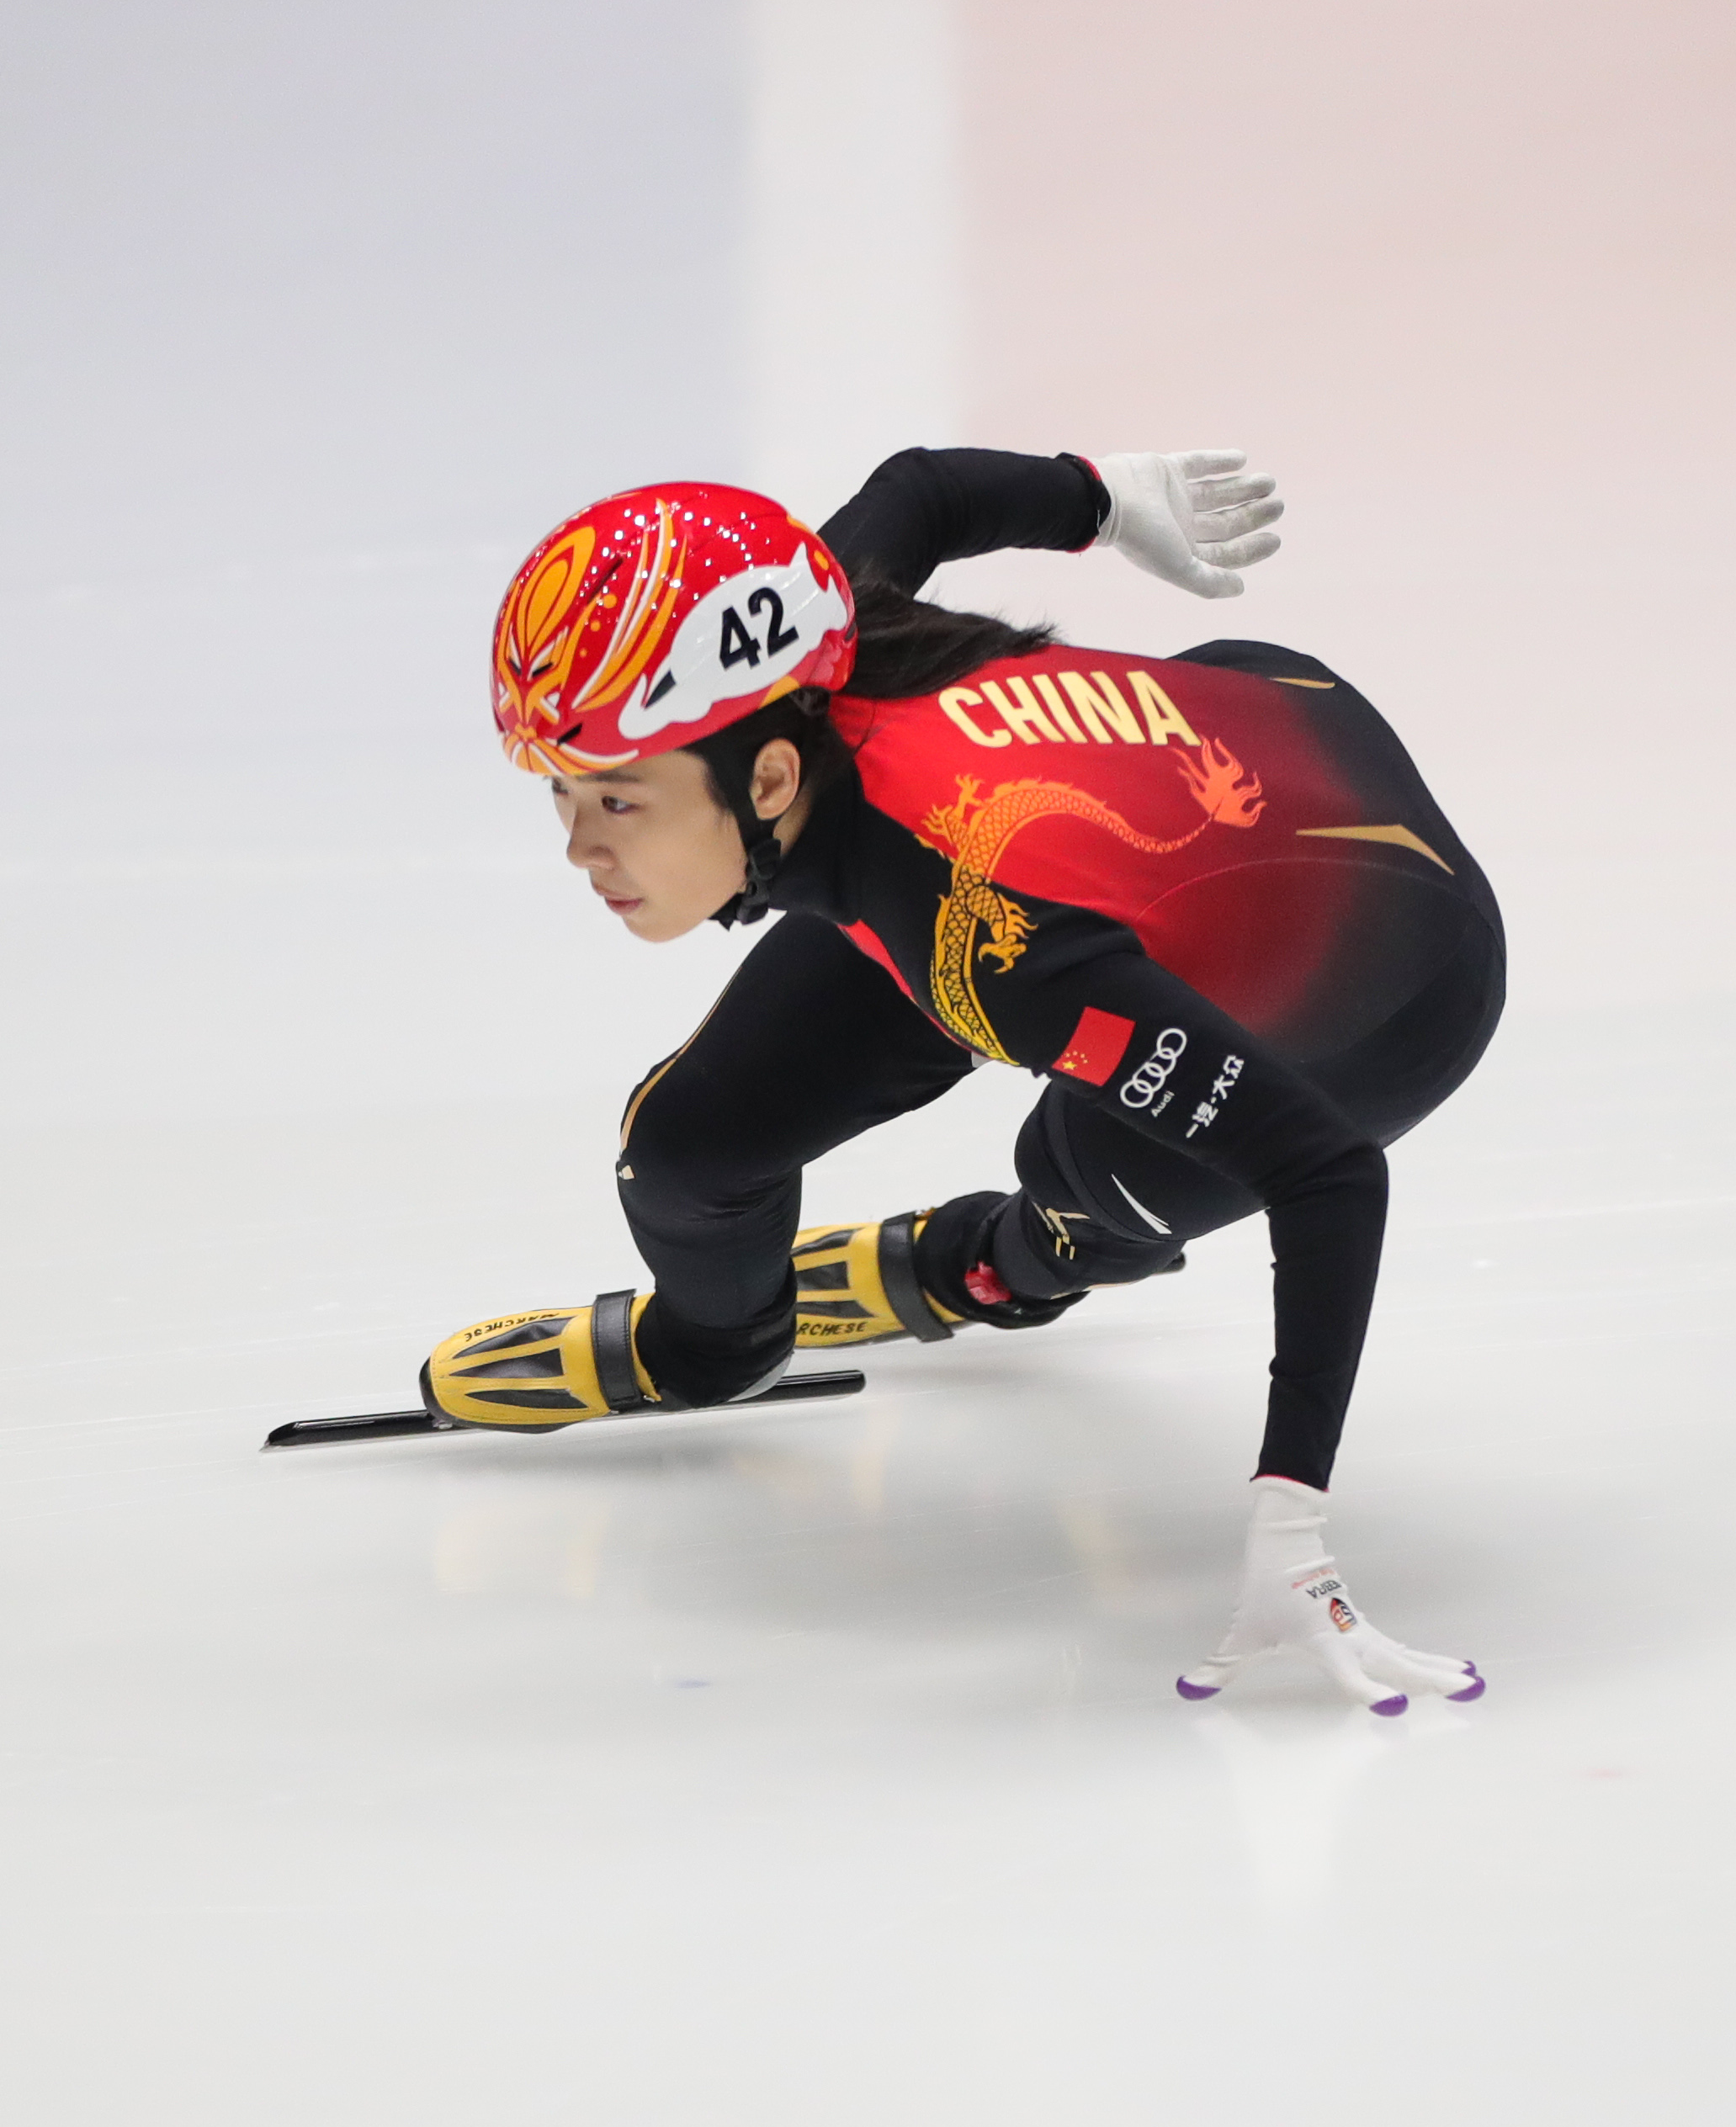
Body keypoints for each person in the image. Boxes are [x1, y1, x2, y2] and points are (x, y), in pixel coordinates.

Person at [425, 444, 1500, 1713]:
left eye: (615, 800)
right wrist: (1104, 498)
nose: (577, 846)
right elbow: (922, 491)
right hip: (1198, 759)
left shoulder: (996, 947)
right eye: (561, 794)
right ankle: (722, 1343)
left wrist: (1290, 1518)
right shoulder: (802, 632)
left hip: (1387, 970)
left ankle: (996, 1259)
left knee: (1082, 1165)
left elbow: (1324, 1172)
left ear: (768, 775)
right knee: (689, 1145)